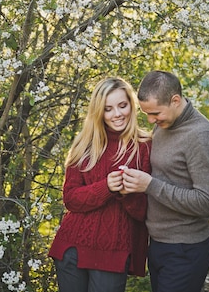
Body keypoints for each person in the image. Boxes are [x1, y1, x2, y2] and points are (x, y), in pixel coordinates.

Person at [121, 70, 209, 292]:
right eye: (146, 113)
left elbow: (206, 203)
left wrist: (149, 185)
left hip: (186, 249)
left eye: (155, 113)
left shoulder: (201, 136)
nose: (151, 120)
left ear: (175, 100)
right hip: (159, 244)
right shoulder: (164, 124)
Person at [48, 77, 152, 292]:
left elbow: (145, 212)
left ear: (131, 106)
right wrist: (106, 187)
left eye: (122, 106)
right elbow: (71, 199)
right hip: (72, 247)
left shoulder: (145, 147)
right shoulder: (85, 145)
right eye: (108, 109)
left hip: (113, 251)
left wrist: (126, 193)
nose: (117, 114)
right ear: (99, 112)